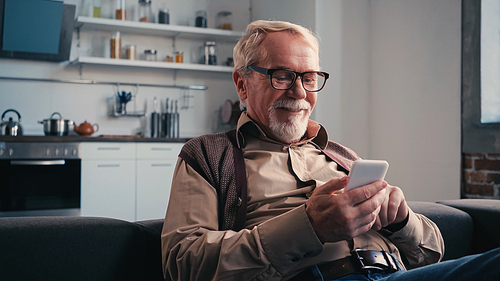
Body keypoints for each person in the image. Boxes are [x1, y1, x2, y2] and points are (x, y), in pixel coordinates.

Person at [161, 20, 500, 281]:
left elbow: (433, 252)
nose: (298, 92)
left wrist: (402, 221)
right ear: (242, 84)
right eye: (281, 76)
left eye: (309, 78)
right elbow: (184, 264)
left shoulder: (341, 155)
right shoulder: (209, 155)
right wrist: (309, 225)